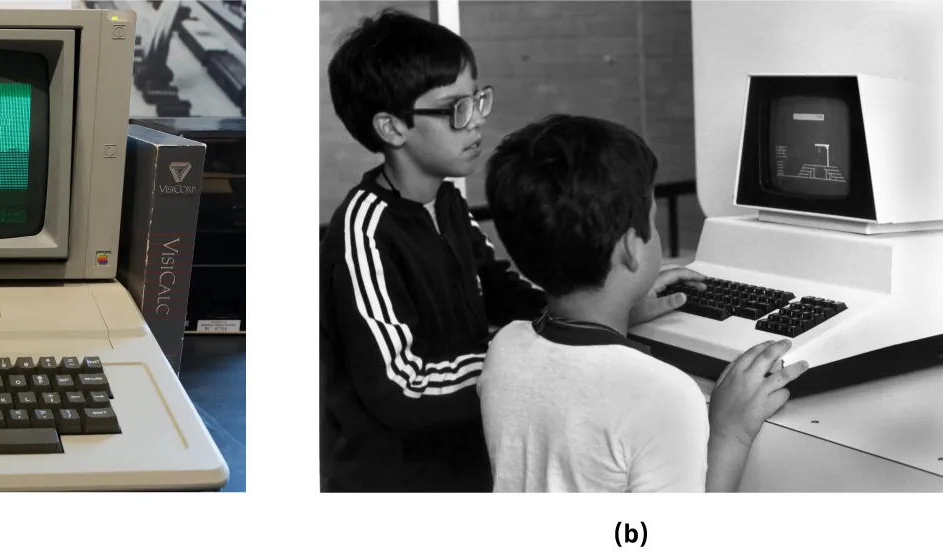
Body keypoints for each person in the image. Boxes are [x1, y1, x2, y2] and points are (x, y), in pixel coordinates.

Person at [478, 114, 810, 492]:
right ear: (631, 248)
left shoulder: (504, 346)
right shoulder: (664, 395)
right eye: (652, 220)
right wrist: (728, 431)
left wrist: (622, 306)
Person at [319, 10, 546, 492]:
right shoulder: (364, 231)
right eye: (454, 109)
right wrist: (534, 359)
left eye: (477, 99)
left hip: (469, 466)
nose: (477, 120)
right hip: (399, 486)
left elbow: (501, 290)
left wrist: (593, 307)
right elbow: (403, 386)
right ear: (392, 128)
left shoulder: (447, 202)